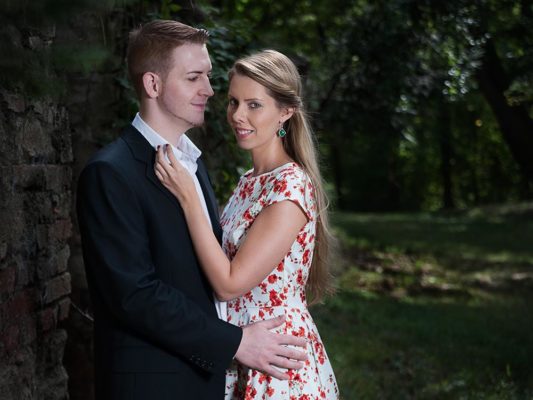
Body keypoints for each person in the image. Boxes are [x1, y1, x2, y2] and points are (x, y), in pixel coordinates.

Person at [76, 21, 308, 400]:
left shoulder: (193, 163)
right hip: (152, 384)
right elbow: (134, 295)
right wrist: (235, 343)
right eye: (194, 77)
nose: (210, 90)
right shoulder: (110, 172)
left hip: (207, 377)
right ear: (153, 85)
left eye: (209, 76)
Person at [155, 50, 339, 399]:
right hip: (242, 347)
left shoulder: (289, 186)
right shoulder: (249, 181)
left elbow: (230, 283)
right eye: (233, 102)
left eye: (254, 105)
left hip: (276, 360)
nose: (237, 115)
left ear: (285, 112)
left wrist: (189, 198)